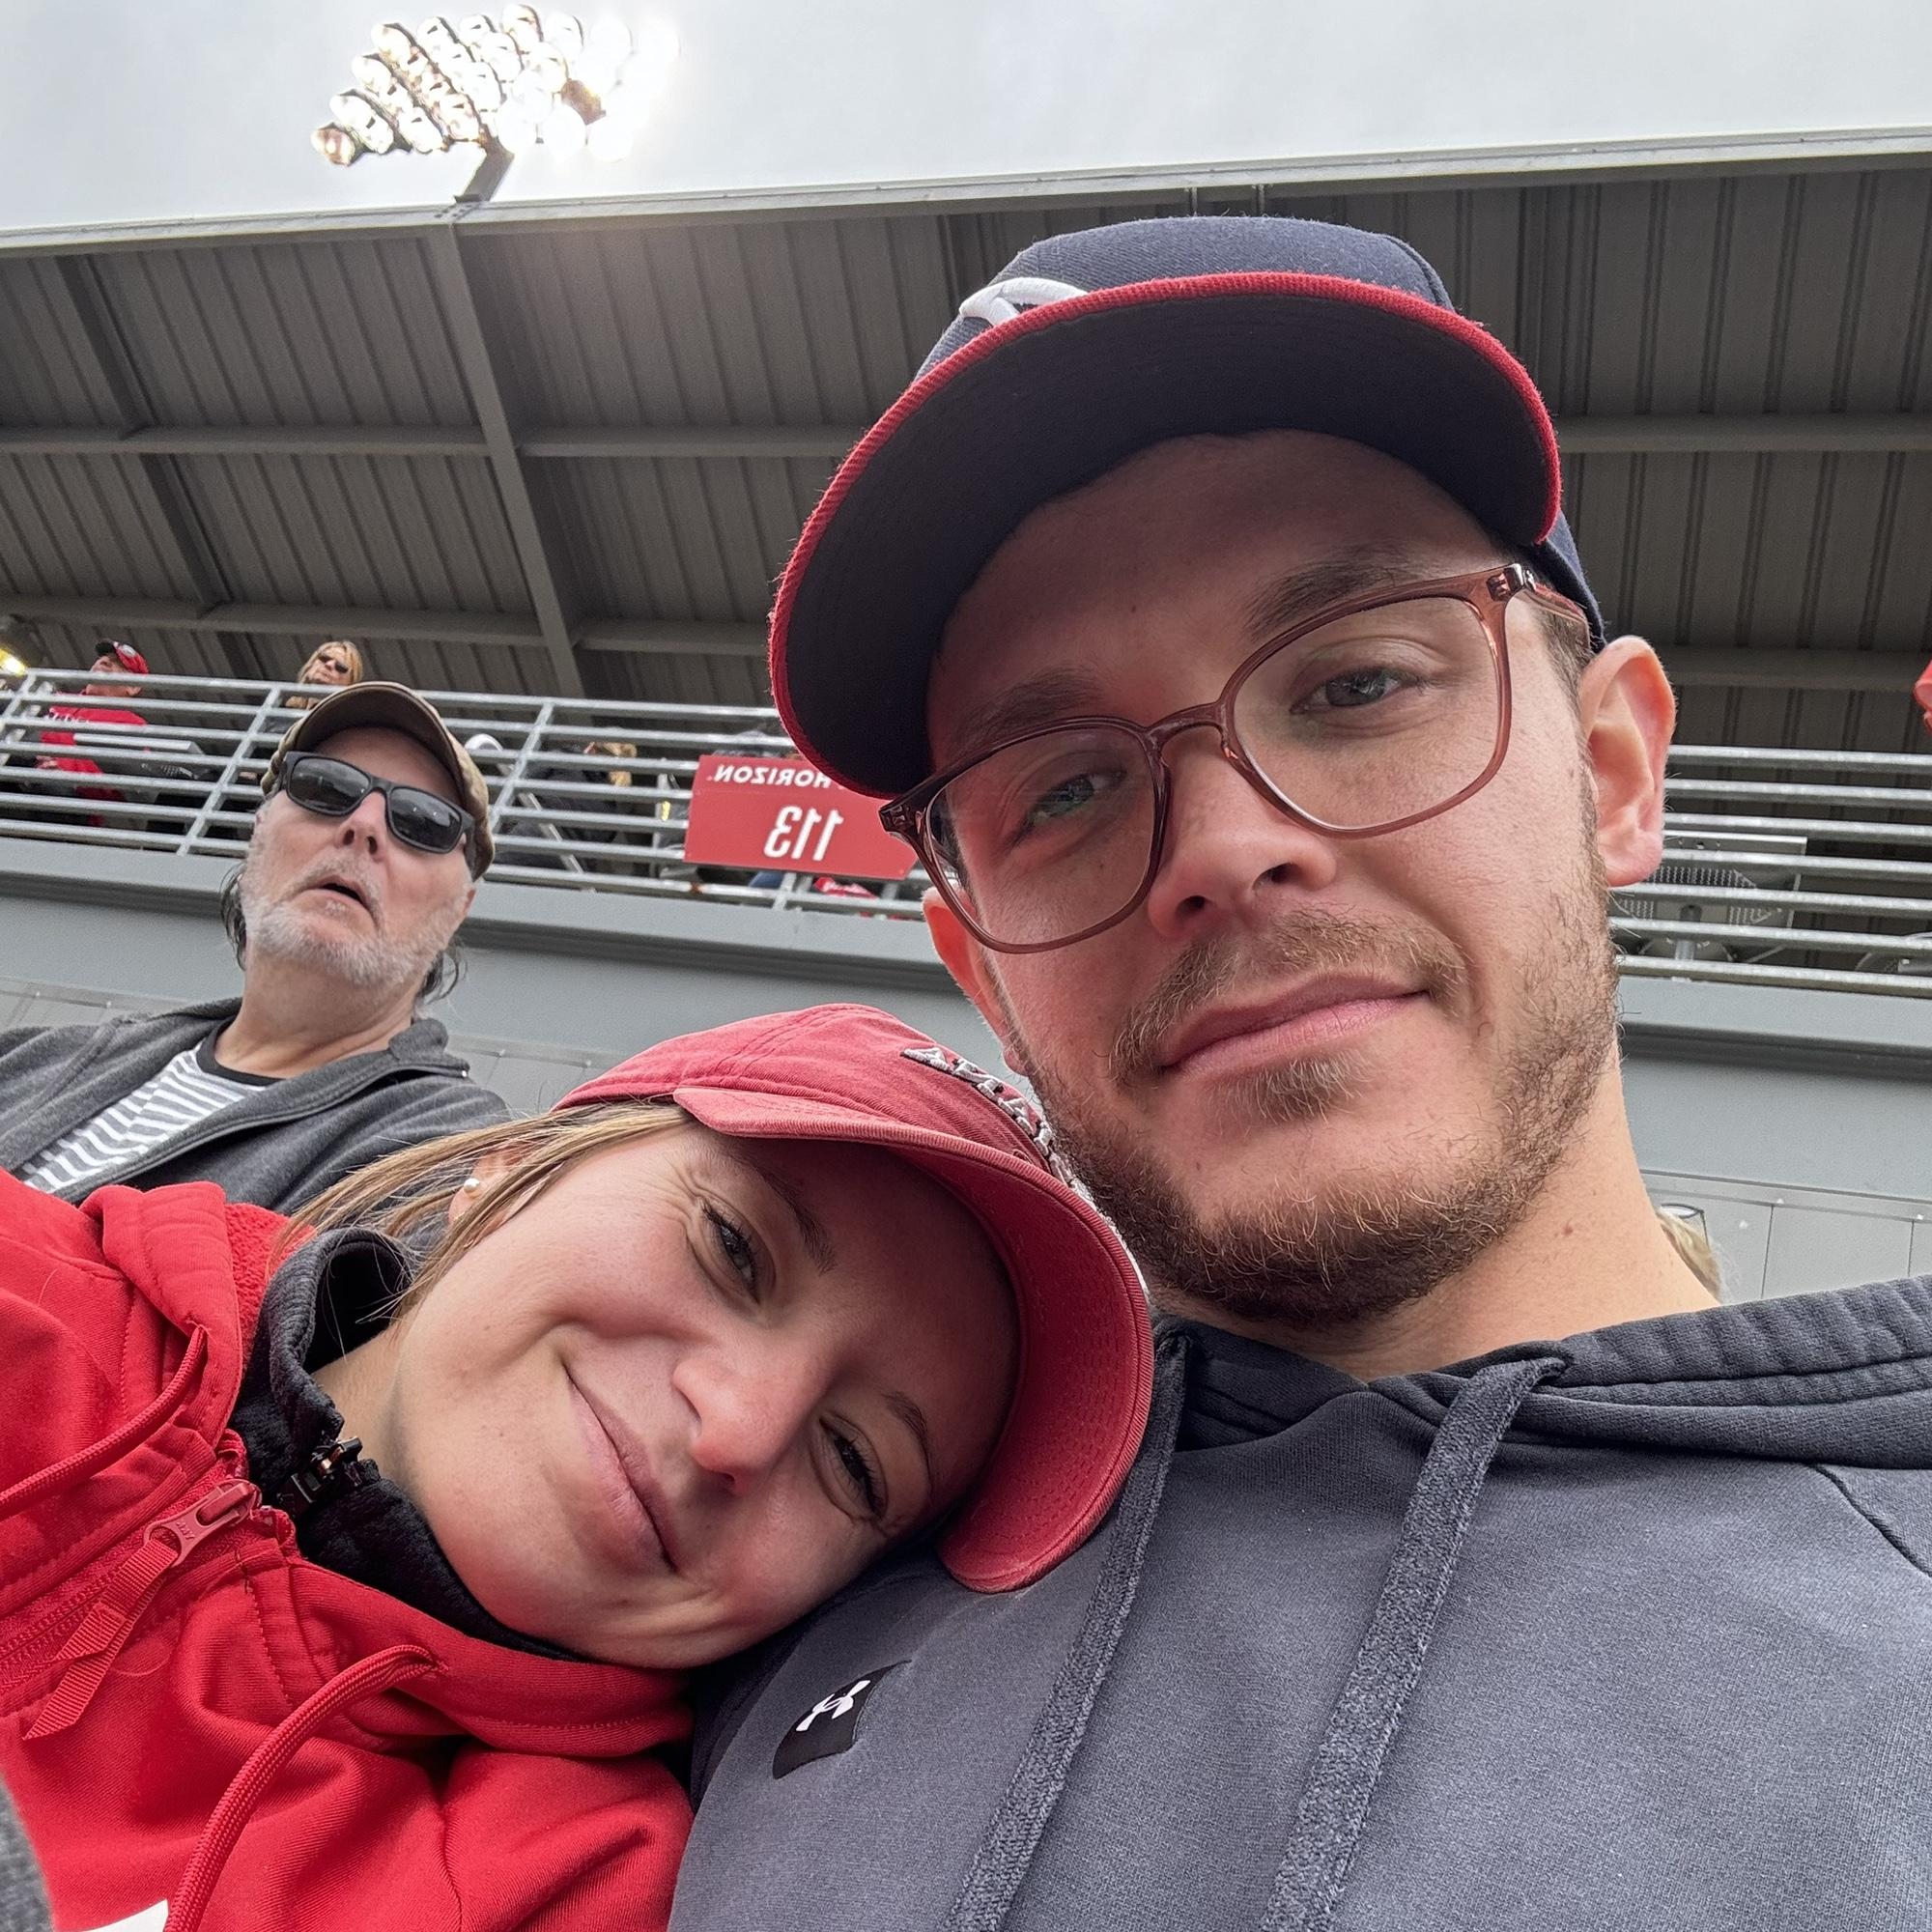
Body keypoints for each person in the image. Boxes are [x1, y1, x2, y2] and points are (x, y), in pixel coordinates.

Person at [672, 216, 1932, 1930]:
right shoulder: (775, 1584)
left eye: (1355, 683)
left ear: (1614, 772)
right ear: (985, 976)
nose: (1223, 846)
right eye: (1063, 789)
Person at [0, 1004, 1150, 1932]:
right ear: (510, 1170)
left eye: (854, 1460)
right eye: (732, 1247)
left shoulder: (577, 1889)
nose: (736, 1427)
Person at [0, 682, 510, 1212]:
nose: (362, 825)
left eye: (423, 821)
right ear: (259, 831)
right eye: (324, 786)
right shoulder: (30, 1058)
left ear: (460, 909)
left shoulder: (449, 1155)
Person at [30, 639, 150, 807]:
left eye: (118, 663)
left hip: (68, 800)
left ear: (133, 687)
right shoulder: (57, 698)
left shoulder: (133, 725)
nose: (104, 661)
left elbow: (125, 784)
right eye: (102, 658)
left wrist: (61, 766)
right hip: (23, 769)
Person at [287, 639, 368, 709]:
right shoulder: (283, 710)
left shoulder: (349, 719)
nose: (329, 665)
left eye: (340, 666)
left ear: (350, 683)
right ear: (311, 665)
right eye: (324, 658)